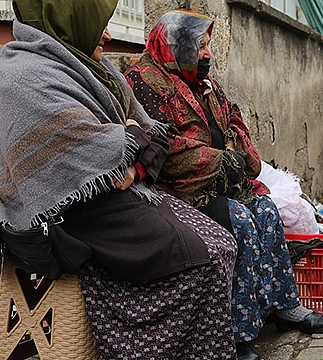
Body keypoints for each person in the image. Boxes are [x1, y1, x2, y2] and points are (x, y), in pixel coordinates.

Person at [0, 1, 239, 358]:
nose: (109, 36)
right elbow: (89, 156)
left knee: (222, 242)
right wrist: (125, 144)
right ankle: (143, 347)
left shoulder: (94, 67)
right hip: (69, 216)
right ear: (69, 24)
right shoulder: (24, 78)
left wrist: (133, 161)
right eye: (100, 26)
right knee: (199, 259)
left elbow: (152, 137)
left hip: (123, 195)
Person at [124, 10, 323, 360]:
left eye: (208, 45)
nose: (207, 53)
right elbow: (163, 146)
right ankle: (238, 333)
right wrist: (222, 160)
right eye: (200, 45)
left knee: (265, 210)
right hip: (178, 192)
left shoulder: (203, 82)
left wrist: (236, 154)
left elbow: (235, 121)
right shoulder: (145, 82)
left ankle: (284, 305)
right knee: (239, 219)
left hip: (223, 181)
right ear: (174, 46)